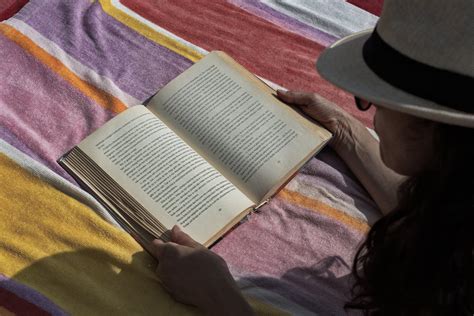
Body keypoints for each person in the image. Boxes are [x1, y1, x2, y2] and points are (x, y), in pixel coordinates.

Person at [145, 0, 474, 314]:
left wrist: (219, 299)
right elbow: (419, 213)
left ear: (435, 129)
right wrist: (342, 129)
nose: (372, 117)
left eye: (379, 101)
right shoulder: (451, 204)